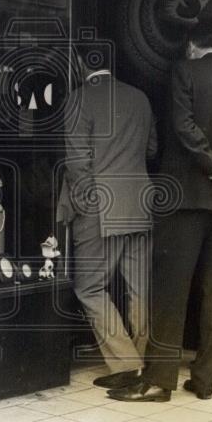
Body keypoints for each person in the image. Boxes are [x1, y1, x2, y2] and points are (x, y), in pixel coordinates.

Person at [109, 20, 212, 403]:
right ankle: (205, 379)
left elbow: (183, 127)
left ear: (193, 47)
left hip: (183, 199)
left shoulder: (184, 72)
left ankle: (160, 380)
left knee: (171, 289)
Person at [60, 43, 158, 391]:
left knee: (88, 286)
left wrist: (86, 208)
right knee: (138, 289)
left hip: (100, 207)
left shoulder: (78, 98)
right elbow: (151, 150)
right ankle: (139, 362)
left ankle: (126, 362)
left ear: (80, 62)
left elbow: (76, 164)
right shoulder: (140, 98)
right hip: (141, 204)